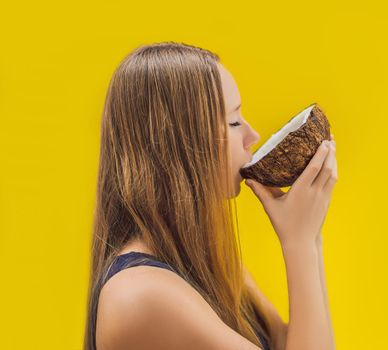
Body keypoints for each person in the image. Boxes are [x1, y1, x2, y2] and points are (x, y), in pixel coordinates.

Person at [83, 41, 337, 350]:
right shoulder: (141, 294)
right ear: (175, 144)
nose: (252, 136)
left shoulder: (203, 262)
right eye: (233, 121)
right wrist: (299, 244)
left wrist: (311, 238)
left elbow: (291, 342)